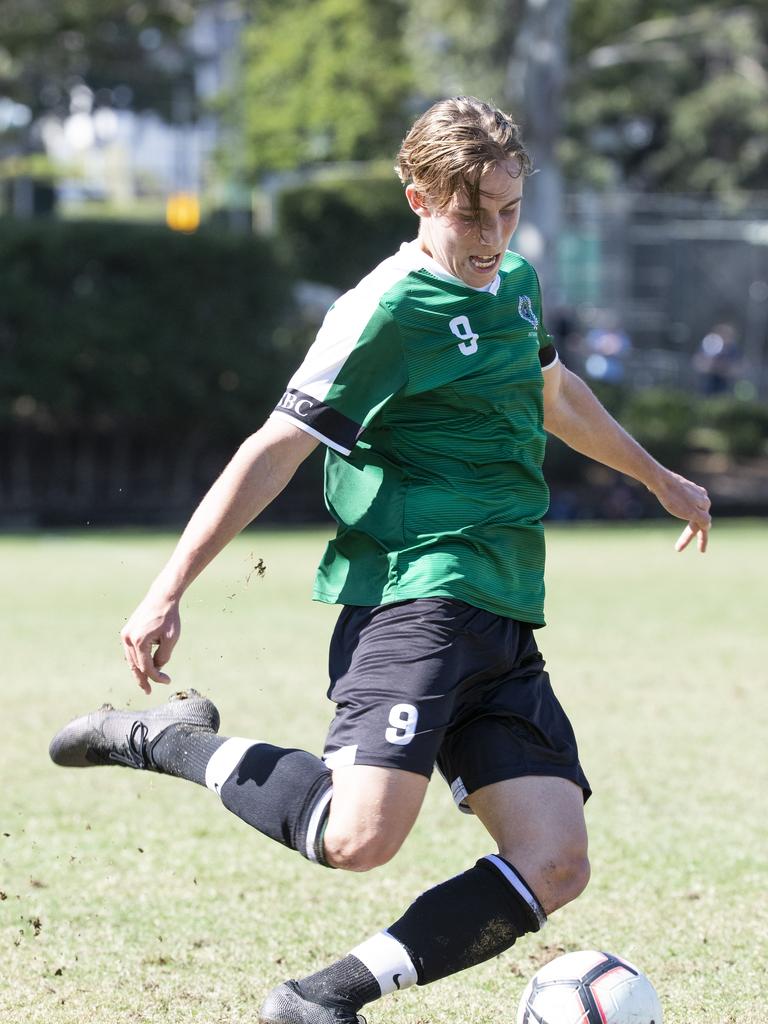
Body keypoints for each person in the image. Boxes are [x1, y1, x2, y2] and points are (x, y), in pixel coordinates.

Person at [50, 97, 711, 1024]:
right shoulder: (386, 310)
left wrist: (658, 477)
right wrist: (167, 592)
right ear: (418, 197)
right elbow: (274, 447)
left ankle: (320, 1001)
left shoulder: (514, 284)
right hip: (415, 600)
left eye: (508, 207)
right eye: (469, 211)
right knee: (358, 840)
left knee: (556, 862)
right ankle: (171, 741)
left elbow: (555, 393)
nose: (492, 232)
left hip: (505, 607)